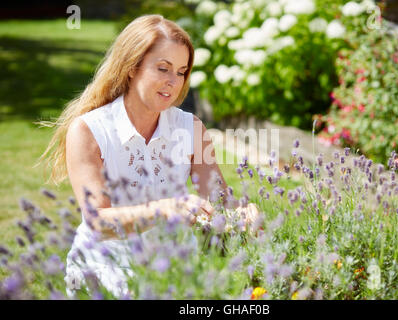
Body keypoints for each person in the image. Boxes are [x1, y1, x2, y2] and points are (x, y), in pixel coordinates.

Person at [39, 14, 261, 298]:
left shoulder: (190, 127)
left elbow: (216, 197)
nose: (173, 82)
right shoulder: (88, 130)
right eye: (163, 68)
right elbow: (98, 221)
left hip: (173, 276)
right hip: (104, 276)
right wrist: (165, 209)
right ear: (132, 67)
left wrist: (241, 212)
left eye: (181, 72)